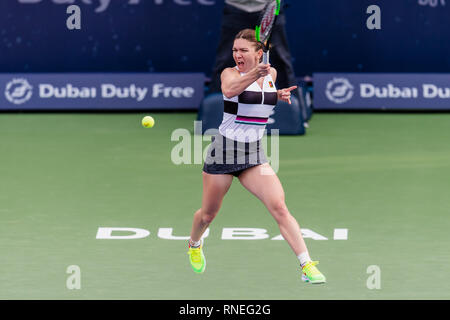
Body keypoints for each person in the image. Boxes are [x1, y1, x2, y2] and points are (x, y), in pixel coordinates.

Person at [187, 29, 325, 284]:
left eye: (243, 50)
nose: (237, 54)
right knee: (207, 215)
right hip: (224, 152)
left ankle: (307, 265)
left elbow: (261, 95)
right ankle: (194, 243)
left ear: (259, 53)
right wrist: (254, 72)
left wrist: (278, 94)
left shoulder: (270, 74)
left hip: (255, 154)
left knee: (280, 208)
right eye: (235, 50)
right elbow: (229, 92)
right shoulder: (229, 73)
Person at [208, 0, 310, 127]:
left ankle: (297, 116)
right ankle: (212, 113)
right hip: (235, 7)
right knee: (223, 60)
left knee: (282, 60)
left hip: (269, 6)